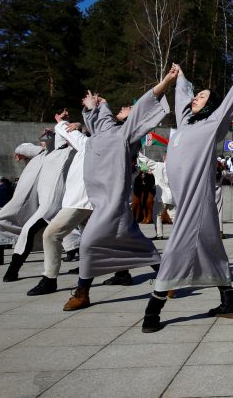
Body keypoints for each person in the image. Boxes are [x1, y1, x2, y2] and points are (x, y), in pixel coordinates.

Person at [141, 50, 233, 333]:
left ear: (212, 107)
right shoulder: (185, 124)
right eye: (197, 95)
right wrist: (181, 78)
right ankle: (229, 301)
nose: (197, 98)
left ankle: (154, 307)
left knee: (173, 250)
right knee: (211, 249)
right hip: (187, 201)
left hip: (197, 201)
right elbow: (183, 99)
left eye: (203, 97)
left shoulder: (212, 126)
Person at [63, 71, 176, 312]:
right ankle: (168, 279)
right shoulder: (100, 134)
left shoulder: (126, 135)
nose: (121, 108)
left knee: (89, 244)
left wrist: (166, 82)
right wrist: (90, 110)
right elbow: (96, 124)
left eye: (126, 108)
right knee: (142, 247)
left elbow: (146, 104)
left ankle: (83, 293)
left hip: (113, 205)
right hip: (102, 204)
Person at [27, 108, 96, 296]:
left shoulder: (89, 143)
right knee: (111, 239)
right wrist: (74, 125)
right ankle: (127, 272)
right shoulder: (91, 143)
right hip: (88, 201)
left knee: (51, 235)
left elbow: (68, 134)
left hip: (80, 202)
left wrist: (61, 122)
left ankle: (49, 279)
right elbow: (64, 138)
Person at [2, 128, 75, 282]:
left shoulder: (73, 151)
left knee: (29, 231)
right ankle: (14, 269)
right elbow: (23, 147)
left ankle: (14, 269)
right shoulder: (46, 152)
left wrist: (72, 128)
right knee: (32, 233)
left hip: (54, 203)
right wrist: (51, 132)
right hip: (48, 203)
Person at [0, 144, 45, 265]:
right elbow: (22, 148)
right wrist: (22, 154)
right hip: (27, 197)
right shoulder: (38, 158)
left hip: (32, 199)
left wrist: (22, 153)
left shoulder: (48, 154)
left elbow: (24, 149)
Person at [137, 152, 174, 240]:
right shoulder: (175, 168)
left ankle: (159, 235)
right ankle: (180, 234)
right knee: (174, 216)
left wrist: (137, 152)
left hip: (161, 196)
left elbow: (146, 161)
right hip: (172, 196)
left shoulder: (158, 166)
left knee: (158, 216)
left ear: (164, 158)